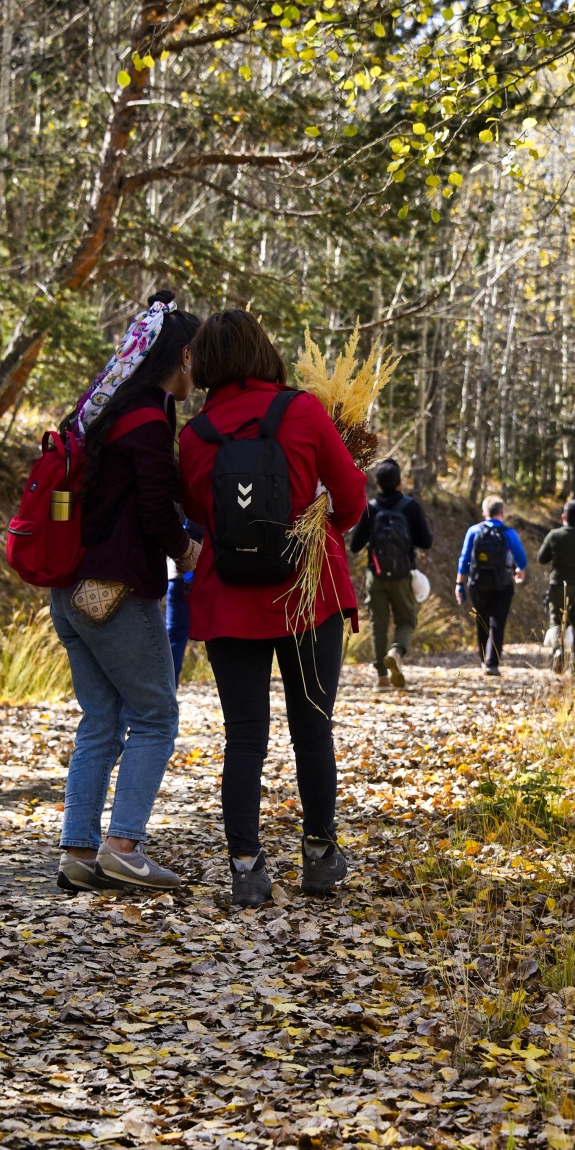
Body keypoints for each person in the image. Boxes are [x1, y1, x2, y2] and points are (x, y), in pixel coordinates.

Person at [179, 309, 367, 909]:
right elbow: (352, 498)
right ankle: (319, 856)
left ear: (205, 364)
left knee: (243, 736)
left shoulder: (194, 436)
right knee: (312, 727)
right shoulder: (303, 411)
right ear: (263, 351)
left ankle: (245, 867)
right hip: (308, 592)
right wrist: (319, 520)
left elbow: (199, 513)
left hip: (230, 596)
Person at [51, 292, 203, 896]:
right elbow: (154, 507)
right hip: (113, 593)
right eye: (197, 359)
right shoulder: (147, 421)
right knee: (157, 716)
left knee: (102, 719)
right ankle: (124, 847)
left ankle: (77, 851)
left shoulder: (105, 411)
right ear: (183, 356)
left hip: (69, 589)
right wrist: (186, 552)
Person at [349, 457, 433, 691]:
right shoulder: (411, 507)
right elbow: (426, 542)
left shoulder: (371, 507)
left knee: (378, 624)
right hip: (403, 575)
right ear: (399, 482)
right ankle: (396, 651)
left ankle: (381, 678)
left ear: (377, 482)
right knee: (407, 620)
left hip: (375, 576)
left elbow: (355, 546)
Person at [456, 497, 528, 676]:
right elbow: (521, 559)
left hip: (477, 583)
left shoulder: (473, 531)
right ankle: (492, 663)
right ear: (502, 513)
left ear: (484, 514)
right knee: (497, 622)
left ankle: (483, 659)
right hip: (502, 584)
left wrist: (459, 583)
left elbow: (464, 559)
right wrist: (520, 570)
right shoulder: (509, 533)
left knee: (481, 620)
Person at [537, 499, 575, 671]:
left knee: (556, 621)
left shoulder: (554, 535)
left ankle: (558, 651)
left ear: (563, 517)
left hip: (558, 585)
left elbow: (541, 558)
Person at [164, 520, 204, 684]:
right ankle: (169, 686)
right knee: (176, 633)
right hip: (184, 575)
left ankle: (169, 686)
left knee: (175, 633)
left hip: (182, 574)